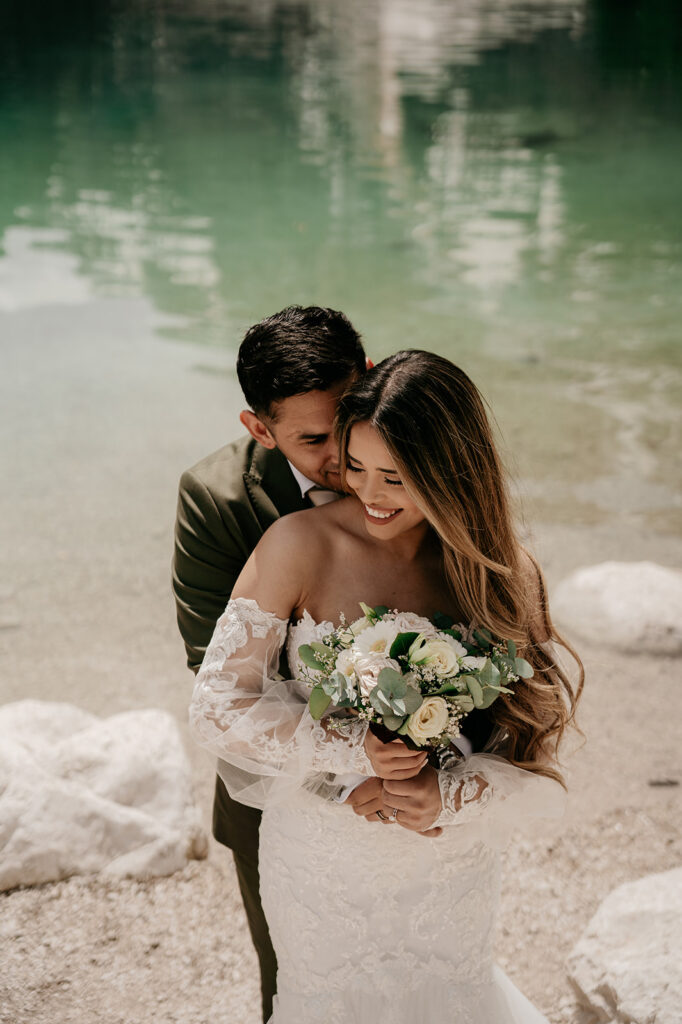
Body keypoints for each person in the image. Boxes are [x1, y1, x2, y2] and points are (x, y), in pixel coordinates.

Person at [189, 350, 583, 1024]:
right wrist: (351, 757)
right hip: (323, 857)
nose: (369, 494)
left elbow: (543, 749)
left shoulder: (502, 570)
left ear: (450, 473)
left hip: (450, 864)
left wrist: (450, 796)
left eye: (396, 477)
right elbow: (217, 706)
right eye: (356, 466)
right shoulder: (298, 544)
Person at [172, 305, 367, 1021]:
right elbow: (217, 676)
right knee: (294, 984)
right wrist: (341, 780)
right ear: (259, 428)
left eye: (348, 420)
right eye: (314, 439)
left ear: (369, 380)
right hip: (276, 796)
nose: (344, 456)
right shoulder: (215, 497)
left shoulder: (419, 460)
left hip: (420, 791)